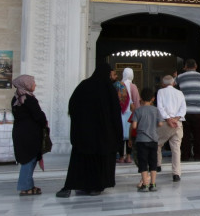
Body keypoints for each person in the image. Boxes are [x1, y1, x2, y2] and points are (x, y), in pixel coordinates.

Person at [57, 63, 123, 198]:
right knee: (99, 161)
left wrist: (80, 123)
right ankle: (96, 186)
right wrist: (117, 134)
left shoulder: (84, 85)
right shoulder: (108, 88)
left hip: (84, 134)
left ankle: (79, 184)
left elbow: (72, 105)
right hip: (103, 135)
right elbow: (115, 113)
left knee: (83, 160)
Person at [11, 74, 47, 196]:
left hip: (20, 132)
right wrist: (44, 121)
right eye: (32, 82)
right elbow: (38, 115)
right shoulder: (28, 99)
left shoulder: (16, 98)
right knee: (29, 159)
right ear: (26, 84)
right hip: (30, 134)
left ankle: (28, 185)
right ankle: (25, 187)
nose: (35, 84)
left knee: (28, 159)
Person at [131, 87, 163, 192]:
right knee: (153, 162)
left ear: (141, 98)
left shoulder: (138, 111)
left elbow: (134, 126)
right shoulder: (156, 110)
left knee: (143, 162)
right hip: (153, 139)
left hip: (141, 140)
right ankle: (153, 184)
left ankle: (145, 184)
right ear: (153, 98)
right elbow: (160, 124)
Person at [156, 75, 187, 181]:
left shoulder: (161, 92)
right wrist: (176, 119)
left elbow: (160, 108)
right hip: (177, 123)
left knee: (157, 143)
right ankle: (176, 174)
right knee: (176, 148)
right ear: (173, 83)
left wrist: (169, 119)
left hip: (165, 123)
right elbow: (183, 108)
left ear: (163, 84)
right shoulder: (180, 93)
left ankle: (158, 165)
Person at [176, 59, 200, 161]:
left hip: (184, 111)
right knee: (198, 134)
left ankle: (185, 156)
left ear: (185, 66)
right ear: (196, 66)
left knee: (185, 135)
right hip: (199, 111)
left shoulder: (180, 77)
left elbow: (172, 87)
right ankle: (198, 155)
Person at [121, 68, 141, 163]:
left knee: (121, 135)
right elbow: (137, 101)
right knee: (129, 136)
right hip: (131, 114)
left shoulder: (120, 85)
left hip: (121, 114)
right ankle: (128, 156)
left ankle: (121, 157)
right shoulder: (133, 86)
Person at [114, 75, 132, 163]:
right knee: (128, 139)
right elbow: (133, 107)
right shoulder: (128, 97)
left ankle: (121, 157)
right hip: (128, 118)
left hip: (119, 118)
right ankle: (128, 157)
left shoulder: (114, 97)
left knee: (120, 138)